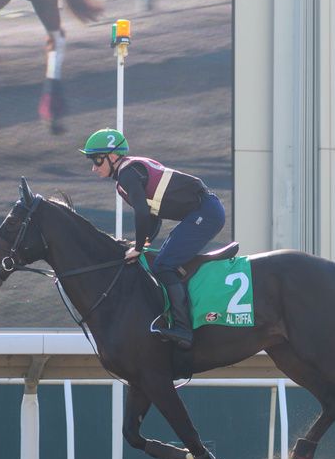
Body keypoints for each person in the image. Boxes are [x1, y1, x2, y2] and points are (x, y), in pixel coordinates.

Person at [81, 128, 226, 350]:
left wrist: (138, 247)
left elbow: (141, 212)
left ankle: (184, 329)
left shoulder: (128, 173)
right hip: (202, 211)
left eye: (97, 160)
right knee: (160, 261)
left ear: (112, 156)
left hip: (206, 212)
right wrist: (143, 244)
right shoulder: (127, 174)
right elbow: (152, 217)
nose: (94, 167)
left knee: (164, 265)